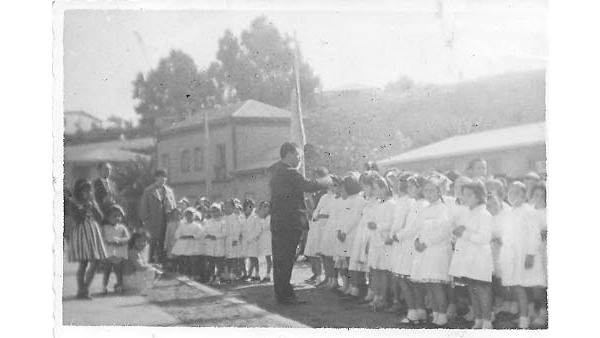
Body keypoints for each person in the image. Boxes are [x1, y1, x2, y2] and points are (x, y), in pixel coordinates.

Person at [269, 142, 331, 305]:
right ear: (289, 154)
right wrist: (327, 180)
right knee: (286, 260)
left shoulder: (277, 170)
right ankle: (285, 295)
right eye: (298, 155)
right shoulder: (288, 171)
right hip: (289, 223)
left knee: (281, 260)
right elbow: (308, 185)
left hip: (280, 223)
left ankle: (283, 293)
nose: (299, 159)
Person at [498, 181, 546, 329]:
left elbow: (534, 235)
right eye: (510, 192)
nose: (513, 195)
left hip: (526, 254)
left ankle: (538, 315)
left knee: (533, 287)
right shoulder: (508, 212)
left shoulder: (529, 211)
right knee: (518, 287)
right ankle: (524, 318)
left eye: (517, 192)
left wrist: (530, 254)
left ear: (525, 195)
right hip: (513, 256)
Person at [449, 180, 494, 329]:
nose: (465, 198)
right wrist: (457, 233)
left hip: (480, 257)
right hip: (468, 257)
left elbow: (484, 238)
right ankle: (478, 319)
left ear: (479, 196)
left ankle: (487, 322)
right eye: (464, 195)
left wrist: (465, 233)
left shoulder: (485, 214)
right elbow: (461, 231)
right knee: (472, 289)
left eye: (469, 195)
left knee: (482, 289)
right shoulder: (466, 213)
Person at [410, 175, 453, 327]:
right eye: (426, 190)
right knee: (428, 284)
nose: (428, 193)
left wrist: (426, 243)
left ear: (439, 191)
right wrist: (416, 240)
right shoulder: (424, 209)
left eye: (432, 190)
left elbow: (444, 231)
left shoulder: (444, 209)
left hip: (437, 251)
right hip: (425, 252)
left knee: (436, 284)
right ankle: (435, 312)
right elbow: (416, 228)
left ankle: (442, 315)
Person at [66, 178, 107, 299]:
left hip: (93, 231)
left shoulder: (92, 202)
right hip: (81, 233)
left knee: (96, 261)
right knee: (83, 263)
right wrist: (85, 207)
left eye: (90, 190)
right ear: (79, 191)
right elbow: (78, 219)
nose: (88, 193)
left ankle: (85, 288)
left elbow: (100, 218)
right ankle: (81, 291)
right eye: (85, 190)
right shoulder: (73, 202)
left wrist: (93, 205)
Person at [366, 173, 397, 311]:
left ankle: (384, 298)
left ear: (384, 189)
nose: (375, 192)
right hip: (375, 240)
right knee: (376, 269)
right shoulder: (378, 204)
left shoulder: (391, 204)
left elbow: (391, 223)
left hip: (385, 241)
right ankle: (377, 296)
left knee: (384, 271)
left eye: (377, 189)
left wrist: (377, 226)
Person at [334, 173, 367, 297]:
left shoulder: (359, 200)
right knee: (346, 262)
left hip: (353, 234)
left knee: (353, 262)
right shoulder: (348, 200)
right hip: (344, 235)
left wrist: (345, 231)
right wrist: (339, 230)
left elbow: (355, 218)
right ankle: (348, 285)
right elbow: (341, 217)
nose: (342, 189)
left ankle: (356, 287)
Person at [139, 169, 176, 264]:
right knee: (151, 244)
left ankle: (163, 264)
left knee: (164, 244)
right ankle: (149, 263)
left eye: (164, 177)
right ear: (156, 178)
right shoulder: (149, 191)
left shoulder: (169, 191)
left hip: (166, 222)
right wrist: (146, 222)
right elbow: (144, 208)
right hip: (153, 223)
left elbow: (174, 206)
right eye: (160, 177)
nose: (163, 179)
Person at [100, 204, 131, 295]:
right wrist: (108, 241)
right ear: (108, 217)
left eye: (119, 216)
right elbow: (101, 238)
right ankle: (104, 286)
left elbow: (127, 238)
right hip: (108, 253)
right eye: (114, 216)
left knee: (118, 271)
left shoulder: (122, 228)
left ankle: (119, 286)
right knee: (107, 271)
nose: (117, 218)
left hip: (118, 252)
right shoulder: (104, 228)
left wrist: (120, 241)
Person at [171, 207, 205, 279]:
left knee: (192, 262)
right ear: (185, 216)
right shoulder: (182, 225)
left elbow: (201, 234)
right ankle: (185, 274)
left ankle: (193, 275)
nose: (188, 217)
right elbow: (176, 234)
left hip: (193, 246)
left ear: (193, 216)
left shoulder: (197, 225)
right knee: (184, 261)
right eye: (187, 215)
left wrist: (193, 236)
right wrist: (181, 236)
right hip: (183, 246)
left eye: (190, 215)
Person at [203, 203, 227, 284]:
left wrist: (215, 236)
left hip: (219, 245)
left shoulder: (223, 222)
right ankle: (210, 277)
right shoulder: (208, 222)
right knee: (210, 264)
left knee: (219, 263)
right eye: (213, 211)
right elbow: (204, 231)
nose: (215, 213)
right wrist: (208, 236)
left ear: (220, 212)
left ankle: (218, 278)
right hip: (210, 245)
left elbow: (224, 233)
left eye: (217, 211)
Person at [224, 199, 244, 282]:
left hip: (233, 240)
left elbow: (238, 228)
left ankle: (234, 275)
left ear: (233, 207)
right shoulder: (223, 217)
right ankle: (227, 274)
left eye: (230, 206)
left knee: (234, 258)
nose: (227, 208)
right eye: (226, 206)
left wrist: (235, 238)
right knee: (227, 258)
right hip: (225, 239)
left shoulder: (235, 217)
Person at [243, 202, 262, 282]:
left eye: (251, 207)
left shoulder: (255, 217)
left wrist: (251, 238)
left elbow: (258, 230)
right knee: (246, 257)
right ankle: (247, 274)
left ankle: (255, 274)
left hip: (253, 240)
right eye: (248, 206)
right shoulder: (242, 216)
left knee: (253, 257)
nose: (250, 208)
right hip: (244, 240)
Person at [257, 201, 273, 282]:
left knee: (269, 256)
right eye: (262, 207)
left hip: (269, 238)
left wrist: (262, 220)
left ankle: (268, 274)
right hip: (264, 238)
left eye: (266, 207)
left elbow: (267, 227)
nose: (264, 209)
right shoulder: (261, 218)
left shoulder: (269, 217)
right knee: (267, 256)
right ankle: (265, 274)